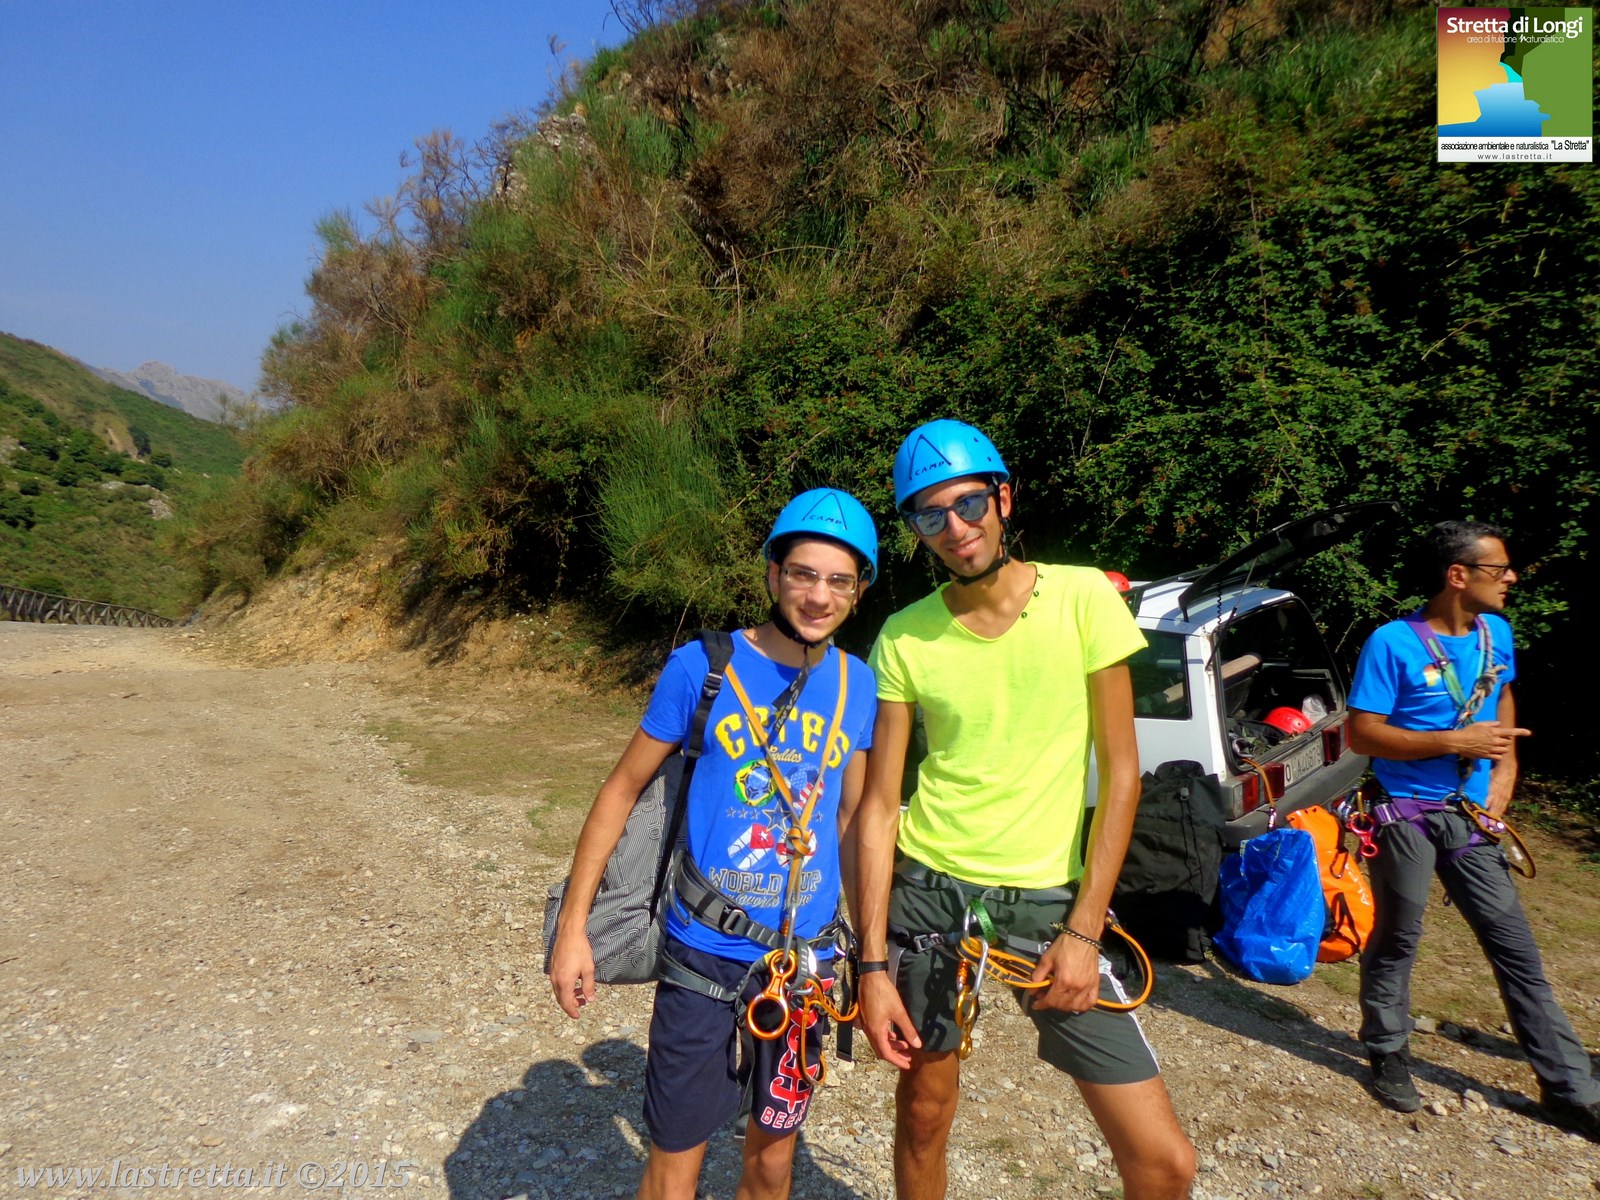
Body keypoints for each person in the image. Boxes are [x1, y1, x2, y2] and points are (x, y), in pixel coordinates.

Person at [853, 420, 1196, 1200]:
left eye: (968, 503)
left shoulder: (1083, 597)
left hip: (1048, 904)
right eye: (930, 515)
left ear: (1003, 498)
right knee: (924, 1114)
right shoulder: (904, 637)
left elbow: (1122, 776)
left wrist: (1084, 930)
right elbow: (878, 808)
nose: (955, 527)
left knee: (1163, 1161)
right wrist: (871, 966)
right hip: (930, 893)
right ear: (916, 530)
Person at [549, 488, 881, 1200]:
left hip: (802, 971)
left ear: (858, 592)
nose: (819, 595)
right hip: (703, 954)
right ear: (773, 573)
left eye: (839, 580)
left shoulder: (858, 685)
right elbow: (620, 790)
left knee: (772, 1163)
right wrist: (573, 928)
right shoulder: (702, 667)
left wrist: (872, 958)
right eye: (803, 573)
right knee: (674, 1167)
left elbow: (855, 822)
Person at [1348, 520, 1600, 1136]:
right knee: (1398, 937)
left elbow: (1501, 698)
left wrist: (1505, 775)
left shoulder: (1496, 633)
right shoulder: (1392, 643)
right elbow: (1362, 734)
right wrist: (1454, 741)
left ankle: (1570, 1089)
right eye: (1498, 569)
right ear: (1457, 576)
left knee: (1515, 948)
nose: (1511, 578)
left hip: (1469, 818)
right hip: (1404, 813)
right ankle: (1387, 1049)